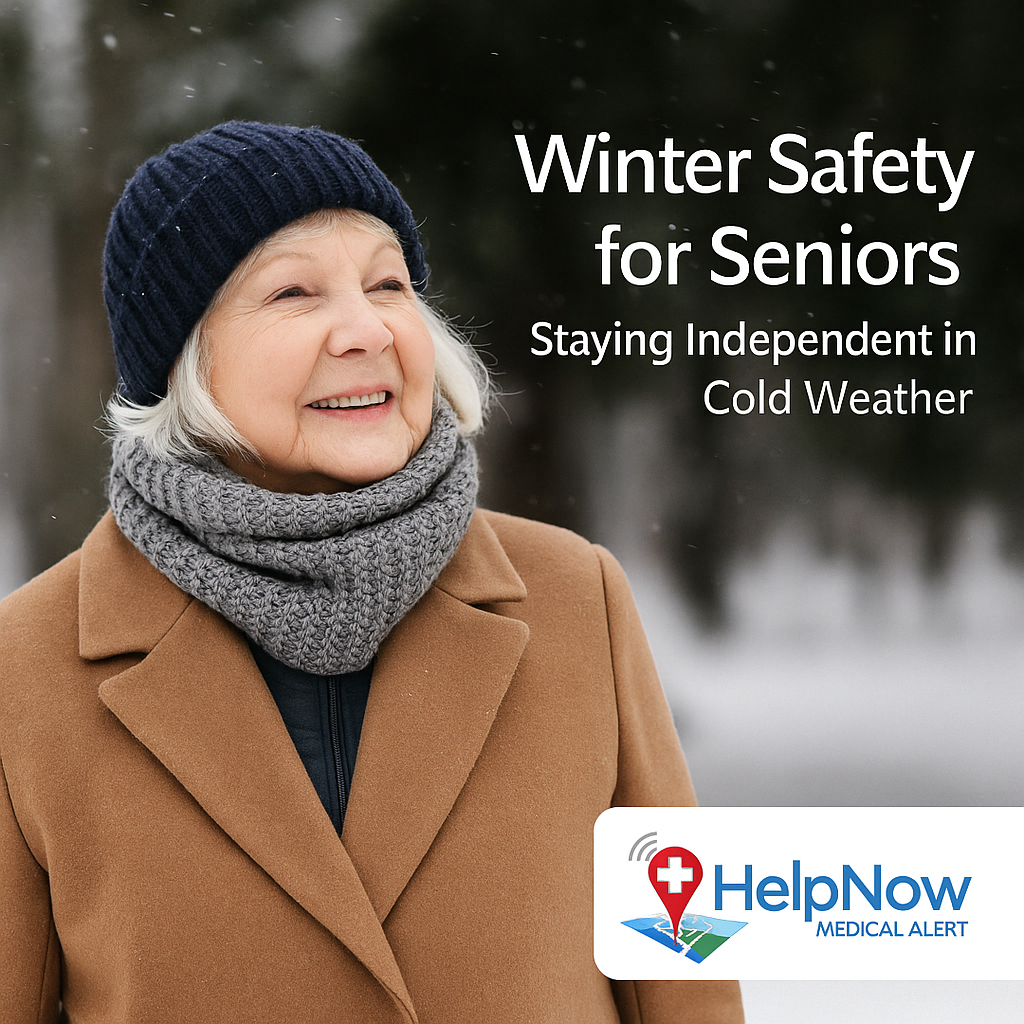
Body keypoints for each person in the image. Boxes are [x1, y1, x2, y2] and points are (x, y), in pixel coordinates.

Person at [0, 122, 743, 1023]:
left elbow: (690, 975)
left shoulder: (576, 598)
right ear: (183, 365)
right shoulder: (27, 666)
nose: (367, 329)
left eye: (389, 283)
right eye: (293, 291)